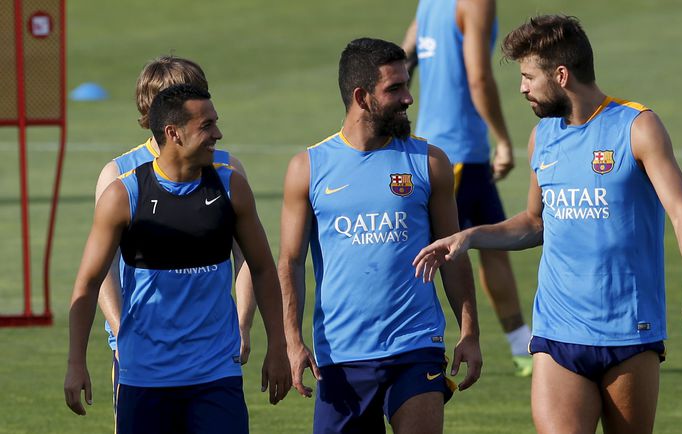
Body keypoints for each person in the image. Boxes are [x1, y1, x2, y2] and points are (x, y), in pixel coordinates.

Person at [413, 15, 682, 434]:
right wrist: (470, 236)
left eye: (529, 77)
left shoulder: (637, 126)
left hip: (629, 332)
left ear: (561, 76)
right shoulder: (542, 137)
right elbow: (534, 223)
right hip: (558, 332)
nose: (522, 88)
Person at [279, 38, 482, 433]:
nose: (408, 98)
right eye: (395, 88)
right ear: (362, 97)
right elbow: (290, 262)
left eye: (407, 85)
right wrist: (292, 340)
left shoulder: (429, 162)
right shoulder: (308, 168)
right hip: (341, 356)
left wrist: (470, 331)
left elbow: (452, 254)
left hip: (415, 347)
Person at [64, 84, 291, 434]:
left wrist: (278, 346)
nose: (218, 134)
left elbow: (261, 269)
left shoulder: (232, 188)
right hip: (144, 377)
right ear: (174, 133)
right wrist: (76, 362)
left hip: (216, 374)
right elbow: (89, 282)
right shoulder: (125, 195)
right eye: (206, 126)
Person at [93, 55, 257, 414]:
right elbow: (102, 271)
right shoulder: (118, 175)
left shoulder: (227, 169)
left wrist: (243, 324)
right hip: (141, 357)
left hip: (211, 352)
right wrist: (122, 333)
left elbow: (247, 257)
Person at [402, 0, 532, 375]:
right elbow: (478, 77)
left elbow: (405, 55)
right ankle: (419, 351)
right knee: (439, 254)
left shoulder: (430, 3)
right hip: (455, 151)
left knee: (493, 245)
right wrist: (503, 139)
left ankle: (522, 347)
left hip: (456, 149)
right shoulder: (476, 3)